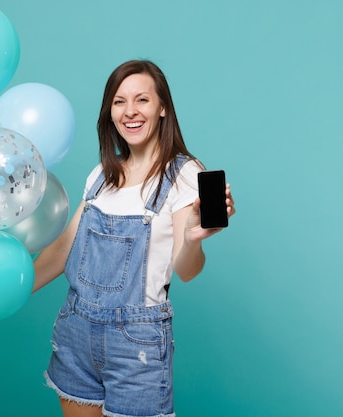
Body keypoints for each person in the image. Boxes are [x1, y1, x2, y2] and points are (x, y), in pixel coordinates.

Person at [32, 59, 236, 417]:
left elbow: (187, 270)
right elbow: (62, 250)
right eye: (119, 101)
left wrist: (193, 238)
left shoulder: (184, 175)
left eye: (142, 100)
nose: (130, 111)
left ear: (162, 109)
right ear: (109, 112)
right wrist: (2, 293)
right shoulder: (102, 175)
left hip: (136, 344)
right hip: (76, 331)